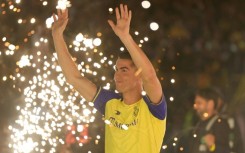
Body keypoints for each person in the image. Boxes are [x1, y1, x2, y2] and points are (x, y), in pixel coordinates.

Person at [51, 4, 167, 153]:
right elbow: (74, 78)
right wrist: (57, 36)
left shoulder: (154, 108)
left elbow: (150, 77)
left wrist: (125, 37)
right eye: (116, 70)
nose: (117, 75)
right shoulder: (110, 103)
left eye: (124, 70)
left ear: (139, 74)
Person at [190, 87, 242, 153]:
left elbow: (226, 150)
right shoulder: (200, 123)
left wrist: (212, 147)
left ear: (210, 104)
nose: (195, 106)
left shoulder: (220, 124)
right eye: (195, 103)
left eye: (199, 103)